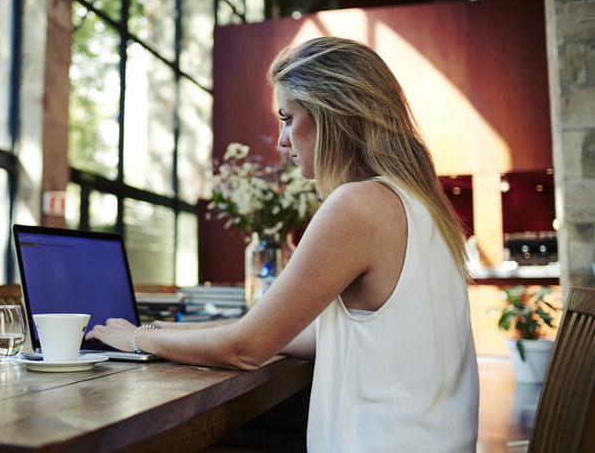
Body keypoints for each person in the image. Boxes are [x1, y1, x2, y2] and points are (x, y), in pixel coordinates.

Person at [86, 36, 480, 452]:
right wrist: (174, 331)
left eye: (287, 118)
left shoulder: (359, 203)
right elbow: (306, 335)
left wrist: (136, 340)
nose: (281, 141)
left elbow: (247, 349)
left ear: (332, 114)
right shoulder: (423, 205)